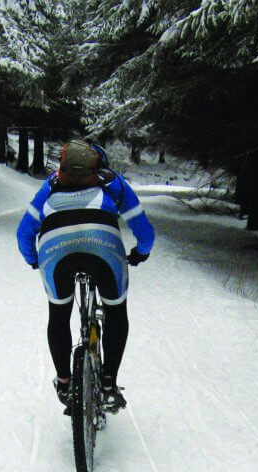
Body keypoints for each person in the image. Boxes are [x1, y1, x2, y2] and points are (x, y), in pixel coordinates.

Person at [17, 139, 155, 411]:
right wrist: (141, 252)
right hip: (103, 243)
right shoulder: (114, 182)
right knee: (115, 311)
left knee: (58, 314)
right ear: (98, 164)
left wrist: (34, 260)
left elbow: (24, 233)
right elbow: (144, 230)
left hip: (54, 248)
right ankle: (108, 384)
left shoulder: (51, 184)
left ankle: (65, 381)